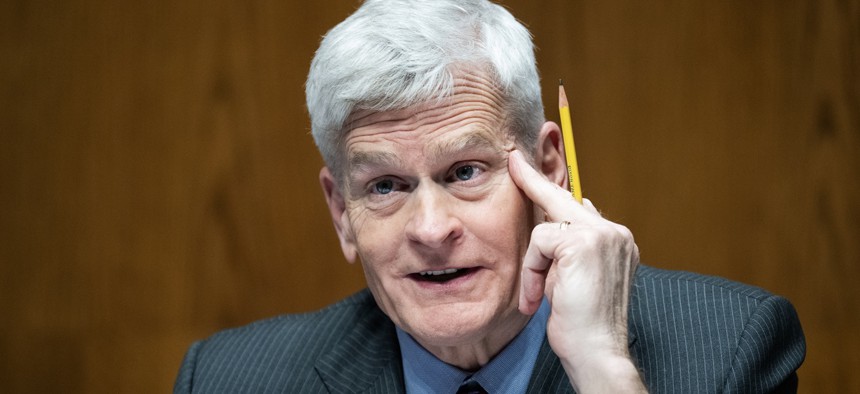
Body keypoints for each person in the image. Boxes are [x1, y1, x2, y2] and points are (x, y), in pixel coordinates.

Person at [174, 0, 806, 392]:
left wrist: (604, 370)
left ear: (549, 168)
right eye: (385, 185)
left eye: (465, 172)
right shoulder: (228, 379)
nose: (430, 228)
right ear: (342, 211)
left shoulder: (730, 352)